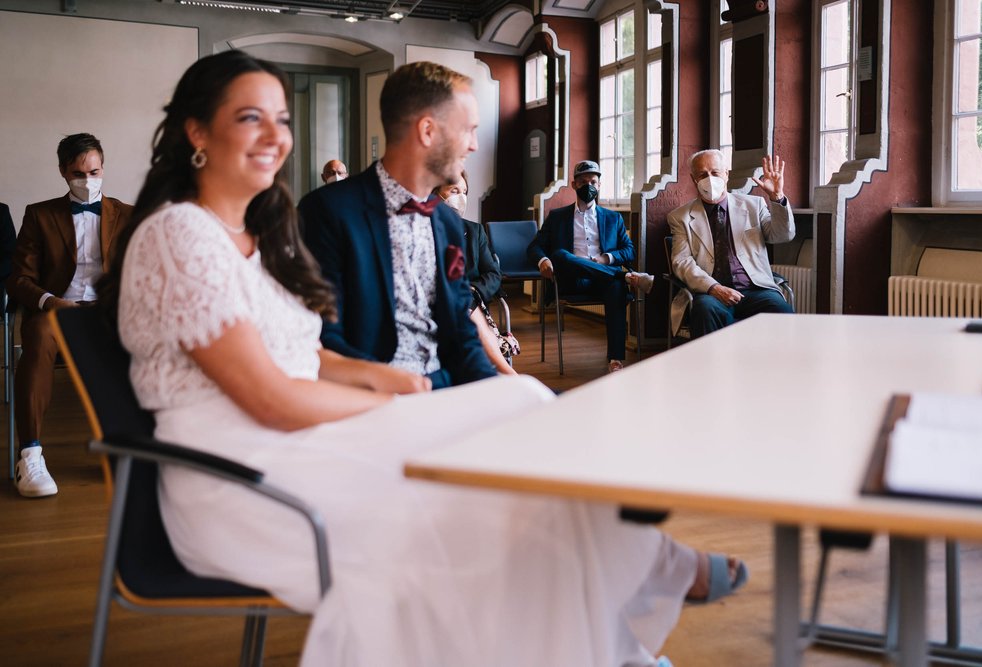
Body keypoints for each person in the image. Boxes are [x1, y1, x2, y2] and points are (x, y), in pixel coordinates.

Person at [101, 51, 747, 666]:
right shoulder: (181, 234)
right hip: (245, 473)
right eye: (251, 117)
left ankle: (615, 634)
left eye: (283, 119)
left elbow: (308, 353)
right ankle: (641, 580)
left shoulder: (263, 235)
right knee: (507, 483)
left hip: (308, 431)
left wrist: (394, 380)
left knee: (522, 416)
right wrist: (397, 396)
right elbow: (269, 394)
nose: (275, 134)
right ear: (196, 131)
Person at [299, 62, 496, 389]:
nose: (474, 145)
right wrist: (395, 386)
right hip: (371, 394)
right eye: (468, 129)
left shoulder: (447, 221)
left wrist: (498, 393)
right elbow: (323, 337)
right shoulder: (328, 211)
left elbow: (462, 333)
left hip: (447, 384)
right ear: (427, 131)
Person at [6, 133, 132, 497]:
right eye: (78, 173)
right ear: (63, 172)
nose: (88, 180)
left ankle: (126, 446)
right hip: (57, 310)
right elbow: (19, 279)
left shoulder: (126, 214)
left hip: (108, 312)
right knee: (40, 335)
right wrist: (49, 301)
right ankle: (29, 454)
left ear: (103, 168)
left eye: (94, 171)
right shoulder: (39, 214)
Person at [527, 160, 651, 374]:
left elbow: (629, 250)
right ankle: (625, 277)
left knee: (616, 289)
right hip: (572, 280)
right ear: (574, 185)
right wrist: (543, 261)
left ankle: (615, 359)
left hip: (604, 281)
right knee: (560, 255)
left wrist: (606, 258)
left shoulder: (613, 218)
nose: (588, 186)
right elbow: (535, 247)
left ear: (599, 185)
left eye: (593, 181)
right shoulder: (557, 217)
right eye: (583, 182)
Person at [667, 149, 794, 338]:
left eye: (715, 172)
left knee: (781, 310)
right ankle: (714, 366)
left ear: (726, 174)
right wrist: (714, 288)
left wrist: (777, 197)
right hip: (712, 291)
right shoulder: (680, 217)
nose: (709, 179)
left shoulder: (754, 205)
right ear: (694, 180)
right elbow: (681, 261)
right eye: (702, 174)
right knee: (704, 310)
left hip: (755, 288)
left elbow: (783, 235)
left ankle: (776, 367)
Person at [434, 172, 518, 375]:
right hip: (439, 305)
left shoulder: (474, 231)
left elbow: (493, 274)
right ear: (435, 194)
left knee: (464, 296)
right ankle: (505, 371)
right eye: (454, 191)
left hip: (473, 304)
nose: (461, 197)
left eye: (464, 192)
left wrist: (473, 290)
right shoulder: (423, 229)